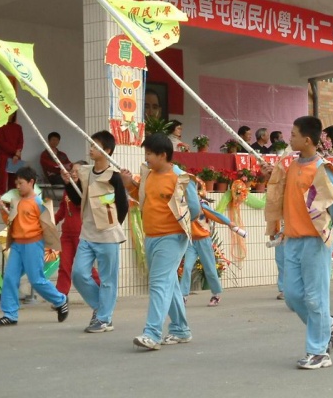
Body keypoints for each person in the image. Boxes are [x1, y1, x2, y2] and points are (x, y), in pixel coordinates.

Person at [264, 116, 333, 370]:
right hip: (292, 240)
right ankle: (327, 325)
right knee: (292, 296)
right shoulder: (289, 167)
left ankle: (319, 352)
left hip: (315, 242)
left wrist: (322, 226)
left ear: (307, 140)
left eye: (293, 134)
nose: (290, 138)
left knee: (315, 298)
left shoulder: (322, 169)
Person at [121, 133, 200, 350]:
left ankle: (152, 333)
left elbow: (194, 209)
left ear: (163, 155)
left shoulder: (180, 178)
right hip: (151, 236)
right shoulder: (149, 175)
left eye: (149, 154)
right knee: (169, 283)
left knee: (158, 283)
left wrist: (180, 226)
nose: (146, 158)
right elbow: (144, 197)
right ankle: (180, 329)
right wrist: (128, 185)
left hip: (172, 238)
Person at [63, 131, 128, 333]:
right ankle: (101, 308)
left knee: (108, 280)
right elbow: (78, 199)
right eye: (90, 144)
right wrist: (68, 183)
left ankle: (104, 319)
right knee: (78, 274)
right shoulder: (86, 172)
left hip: (108, 236)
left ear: (106, 150)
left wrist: (113, 225)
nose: (90, 148)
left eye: (95, 145)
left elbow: (123, 205)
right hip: (87, 234)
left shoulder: (114, 176)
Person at [0, 166, 69, 327]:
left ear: (31, 182)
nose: (18, 186)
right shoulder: (16, 201)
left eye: (21, 183)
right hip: (17, 245)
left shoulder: (39, 203)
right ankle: (10, 314)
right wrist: (2, 209)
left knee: (37, 280)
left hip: (33, 244)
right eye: (16, 183)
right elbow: (10, 221)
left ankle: (60, 300)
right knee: (10, 278)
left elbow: (48, 225)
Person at [180, 181, 238, 307]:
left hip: (204, 240)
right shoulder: (183, 205)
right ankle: (183, 296)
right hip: (190, 241)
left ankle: (216, 294)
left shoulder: (202, 205)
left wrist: (228, 222)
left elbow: (215, 215)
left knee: (210, 268)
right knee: (187, 267)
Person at [54, 160, 100, 296]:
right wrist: (50, 223)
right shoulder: (68, 190)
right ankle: (60, 297)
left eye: (77, 171)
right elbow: (62, 210)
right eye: (72, 171)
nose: (73, 173)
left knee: (85, 268)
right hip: (66, 235)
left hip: (82, 235)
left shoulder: (86, 190)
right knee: (64, 266)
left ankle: (102, 290)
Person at [0, 113, 23, 195]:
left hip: (16, 156)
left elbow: (21, 142)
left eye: (13, 113)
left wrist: (17, 154)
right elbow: (2, 143)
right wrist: (16, 152)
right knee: (2, 180)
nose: (11, 115)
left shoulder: (18, 127)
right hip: (4, 156)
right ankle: (0, 198)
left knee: (15, 180)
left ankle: (14, 197)